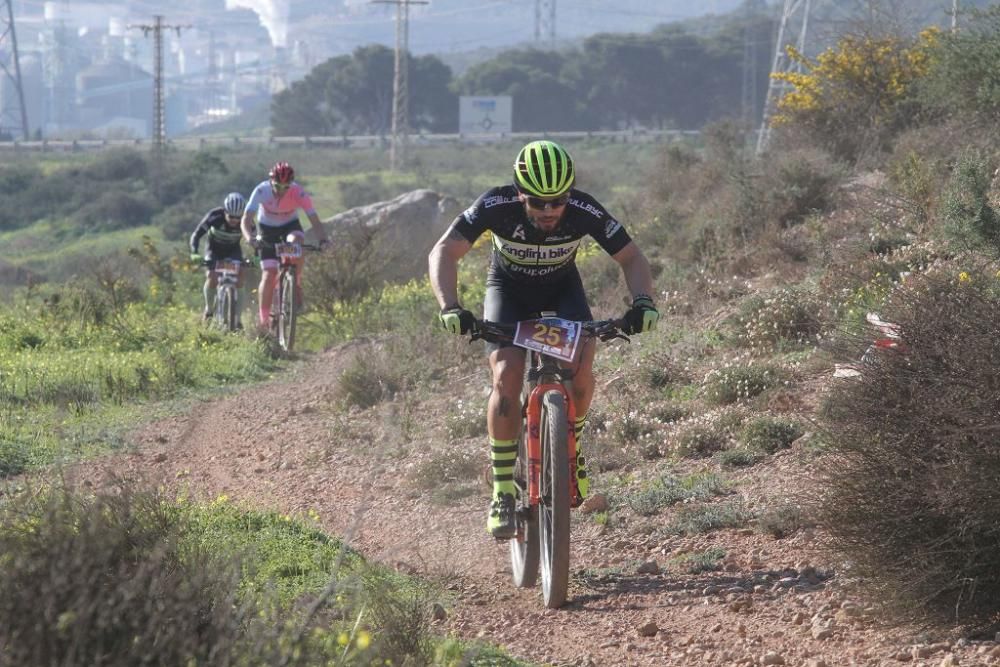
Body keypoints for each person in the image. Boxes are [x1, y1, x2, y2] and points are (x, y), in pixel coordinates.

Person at [428, 140, 659, 540]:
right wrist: (450, 305)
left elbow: (632, 257)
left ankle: (572, 444)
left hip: (561, 292)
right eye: (538, 203)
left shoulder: (584, 210)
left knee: (582, 363)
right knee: (507, 374)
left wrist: (643, 302)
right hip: (508, 293)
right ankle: (502, 489)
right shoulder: (495, 205)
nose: (550, 211)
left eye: (558, 201)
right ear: (520, 194)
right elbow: (444, 251)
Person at [240, 161, 330, 330]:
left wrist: (323, 240)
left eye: (286, 187)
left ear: (291, 184)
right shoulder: (261, 190)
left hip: (290, 225)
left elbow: (314, 220)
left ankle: (295, 282)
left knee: (296, 243)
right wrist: (250, 238)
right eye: (277, 186)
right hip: (267, 229)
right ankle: (264, 322)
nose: (281, 190)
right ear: (270, 182)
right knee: (268, 275)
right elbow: (246, 219)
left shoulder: (298, 192)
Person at [190, 192, 249, 328]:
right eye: (231, 216)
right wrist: (194, 252)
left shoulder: (247, 221)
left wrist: (256, 257)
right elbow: (196, 235)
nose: (234, 220)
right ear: (225, 211)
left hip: (233, 250)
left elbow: (255, 239)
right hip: (213, 250)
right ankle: (209, 310)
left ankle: (238, 320)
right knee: (212, 276)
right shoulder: (214, 216)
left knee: (240, 277)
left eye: (238, 217)